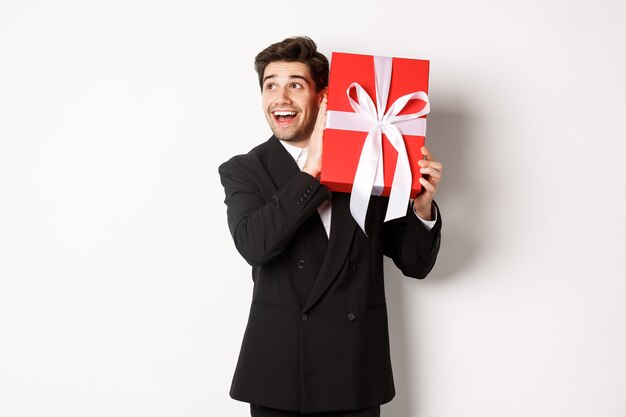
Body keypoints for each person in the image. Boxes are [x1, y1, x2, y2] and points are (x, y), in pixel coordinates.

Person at [218, 36, 442, 417]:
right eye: (270, 85)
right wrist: (313, 170)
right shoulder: (244, 169)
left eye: (295, 85)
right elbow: (255, 244)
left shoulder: (370, 163)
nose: (280, 98)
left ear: (323, 97)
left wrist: (422, 207)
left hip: (354, 371)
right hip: (281, 376)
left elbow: (415, 264)